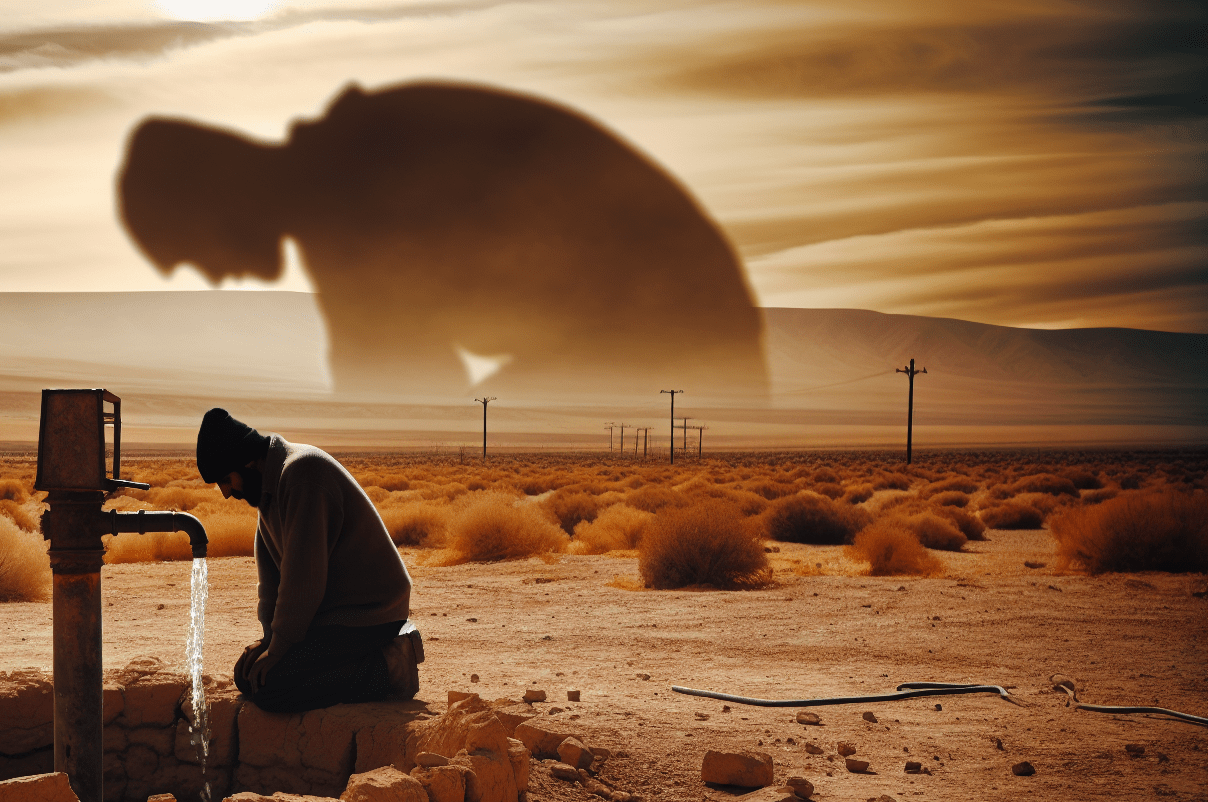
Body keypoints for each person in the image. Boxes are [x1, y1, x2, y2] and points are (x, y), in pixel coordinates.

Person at [119, 81, 765, 403]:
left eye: (187, 249)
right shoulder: (349, 163)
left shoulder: (353, 189)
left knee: (499, 442)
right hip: (677, 317)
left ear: (212, 196)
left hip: (676, 329)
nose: (211, 274)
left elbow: (393, 396)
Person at [196, 407, 422, 713]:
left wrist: (279, 650)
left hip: (370, 613)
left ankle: (391, 665)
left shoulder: (303, 475)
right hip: (328, 615)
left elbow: (304, 578)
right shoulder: (269, 491)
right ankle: (365, 663)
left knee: (273, 688)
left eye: (225, 479)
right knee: (246, 675)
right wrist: (268, 641)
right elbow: (272, 581)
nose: (225, 492)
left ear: (247, 462)